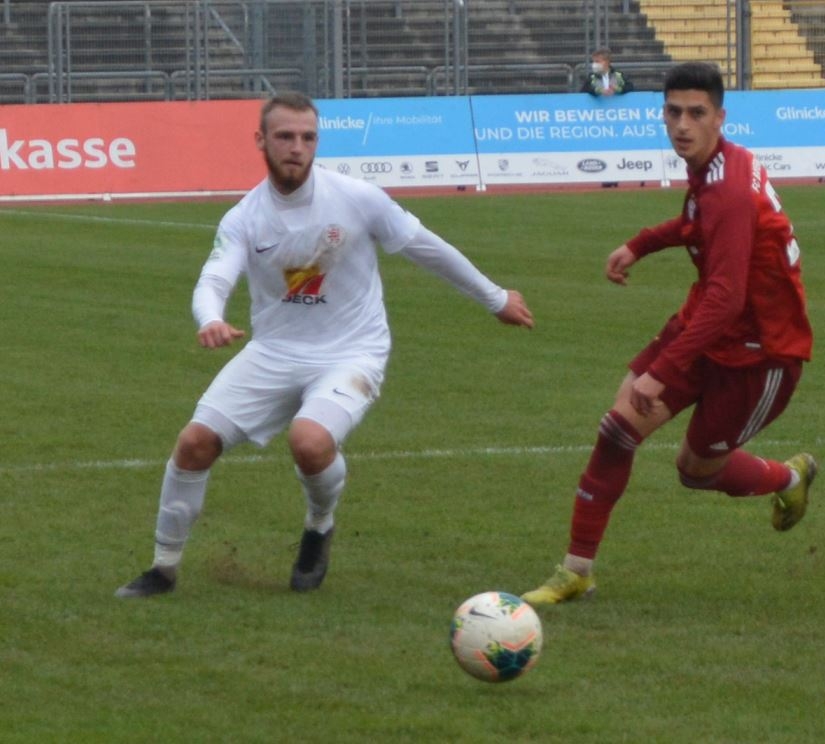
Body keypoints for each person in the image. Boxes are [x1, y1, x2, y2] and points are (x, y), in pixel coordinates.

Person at [116, 92, 534, 599]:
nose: (297, 147)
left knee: (310, 442)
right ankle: (162, 569)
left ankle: (319, 526)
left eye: (307, 137)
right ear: (261, 141)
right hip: (273, 351)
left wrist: (495, 299)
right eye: (285, 136)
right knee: (193, 444)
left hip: (351, 350)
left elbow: (427, 247)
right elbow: (214, 277)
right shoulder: (243, 218)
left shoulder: (357, 198)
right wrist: (211, 318)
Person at [522, 61, 816, 606]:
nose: (682, 124)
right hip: (707, 323)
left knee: (696, 470)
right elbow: (696, 225)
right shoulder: (719, 165)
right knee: (617, 429)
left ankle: (787, 479)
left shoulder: (728, 189)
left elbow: (729, 297)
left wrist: (660, 373)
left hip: (761, 352)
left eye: (696, 113)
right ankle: (577, 569)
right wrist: (642, 244)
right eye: (673, 111)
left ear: (719, 117)